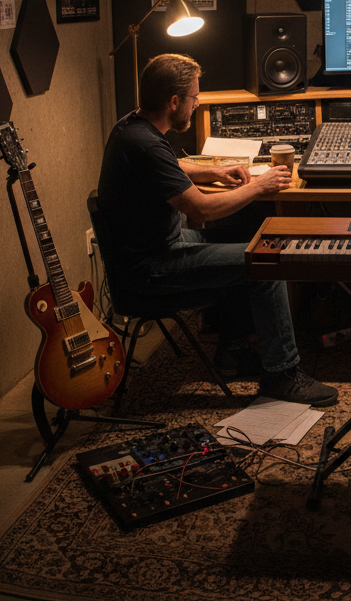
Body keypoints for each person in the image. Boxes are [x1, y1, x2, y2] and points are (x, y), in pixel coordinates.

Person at [96, 53, 338, 406]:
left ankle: (232, 352)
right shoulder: (145, 144)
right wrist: (260, 185)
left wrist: (214, 172)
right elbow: (202, 210)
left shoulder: (133, 127)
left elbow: (173, 165)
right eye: (194, 98)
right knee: (266, 262)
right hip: (152, 268)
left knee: (249, 237)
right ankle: (282, 375)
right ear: (174, 101)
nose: (196, 104)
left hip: (157, 247)